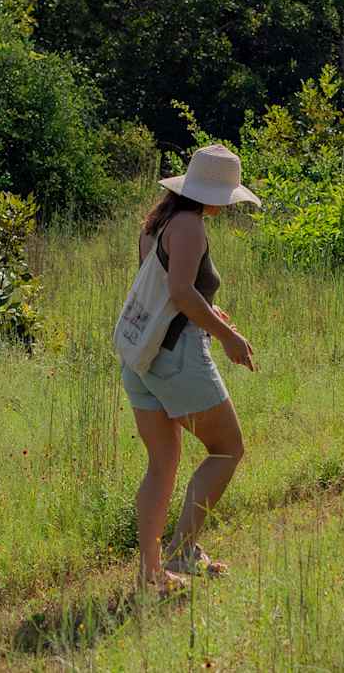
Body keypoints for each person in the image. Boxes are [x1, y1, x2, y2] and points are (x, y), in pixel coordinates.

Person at [121, 144, 260, 595]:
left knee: (162, 463)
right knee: (227, 449)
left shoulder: (159, 221)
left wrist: (216, 318)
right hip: (176, 357)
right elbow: (181, 293)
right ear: (214, 194)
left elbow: (166, 295)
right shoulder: (191, 226)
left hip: (141, 355)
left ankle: (152, 571)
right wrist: (228, 338)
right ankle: (183, 549)